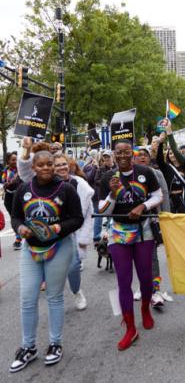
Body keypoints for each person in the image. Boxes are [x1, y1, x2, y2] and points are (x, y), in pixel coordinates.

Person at [9, 151, 83, 372]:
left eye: (49, 164)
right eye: (40, 165)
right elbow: (15, 216)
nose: (46, 168)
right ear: (33, 167)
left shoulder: (66, 189)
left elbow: (77, 218)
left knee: (54, 296)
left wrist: (58, 228)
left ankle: (55, 344)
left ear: (54, 165)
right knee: (28, 298)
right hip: (30, 248)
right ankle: (28, 347)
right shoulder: (24, 189)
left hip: (59, 247)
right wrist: (20, 228)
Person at [99, 139, 163, 351]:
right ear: (114, 155)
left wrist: (142, 206)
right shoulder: (108, 177)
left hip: (143, 230)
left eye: (127, 152)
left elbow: (158, 196)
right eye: (119, 153)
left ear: (132, 154)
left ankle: (145, 309)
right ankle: (130, 328)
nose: (123, 155)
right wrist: (112, 194)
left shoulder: (145, 171)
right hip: (118, 231)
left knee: (146, 278)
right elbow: (103, 210)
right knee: (123, 280)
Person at [53, 154, 94, 310]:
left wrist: (84, 237)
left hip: (72, 233)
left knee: (73, 267)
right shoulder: (46, 184)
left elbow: (88, 213)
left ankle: (77, 291)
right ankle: (55, 298)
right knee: (54, 270)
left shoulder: (79, 184)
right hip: (52, 235)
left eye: (64, 164)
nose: (62, 167)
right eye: (58, 165)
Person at [133, 147, 173, 307]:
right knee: (136, 256)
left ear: (150, 158)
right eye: (139, 155)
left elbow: (164, 194)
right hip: (132, 222)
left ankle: (155, 289)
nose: (142, 157)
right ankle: (142, 286)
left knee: (152, 256)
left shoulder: (157, 174)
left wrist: (166, 217)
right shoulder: (130, 174)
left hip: (152, 221)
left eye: (145, 155)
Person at [92, 150, 115, 242]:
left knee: (112, 216)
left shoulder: (117, 167)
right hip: (102, 196)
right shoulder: (100, 169)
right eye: (105, 157)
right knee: (98, 215)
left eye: (108, 157)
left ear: (112, 157)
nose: (107, 159)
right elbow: (96, 180)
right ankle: (96, 236)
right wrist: (105, 181)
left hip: (113, 196)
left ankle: (111, 234)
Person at [2, 151, 22, 250]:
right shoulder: (5, 171)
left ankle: (18, 239)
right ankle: (19, 236)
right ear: (8, 161)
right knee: (13, 217)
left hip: (18, 195)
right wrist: (6, 183)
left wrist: (14, 181)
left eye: (16, 159)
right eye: (13, 160)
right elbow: (3, 182)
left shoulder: (21, 170)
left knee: (18, 216)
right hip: (8, 196)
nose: (15, 161)